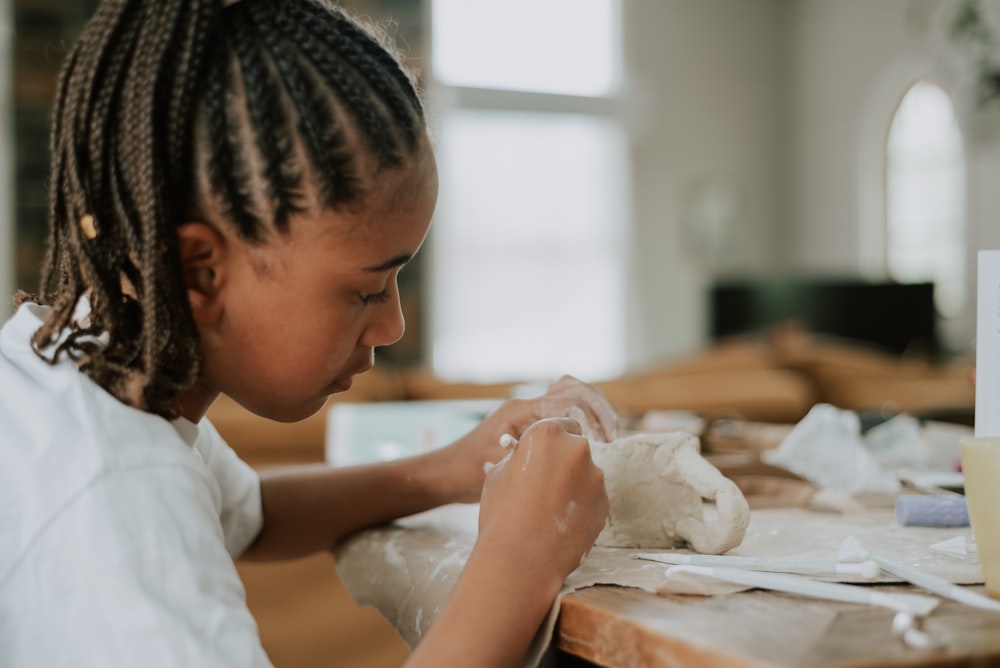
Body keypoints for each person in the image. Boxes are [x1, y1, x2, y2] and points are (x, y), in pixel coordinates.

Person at [0, 0, 618, 666]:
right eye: (366, 289)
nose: (393, 324)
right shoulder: (119, 503)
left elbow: (253, 514)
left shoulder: (79, 364)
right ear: (200, 272)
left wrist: (448, 470)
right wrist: (520, 558)